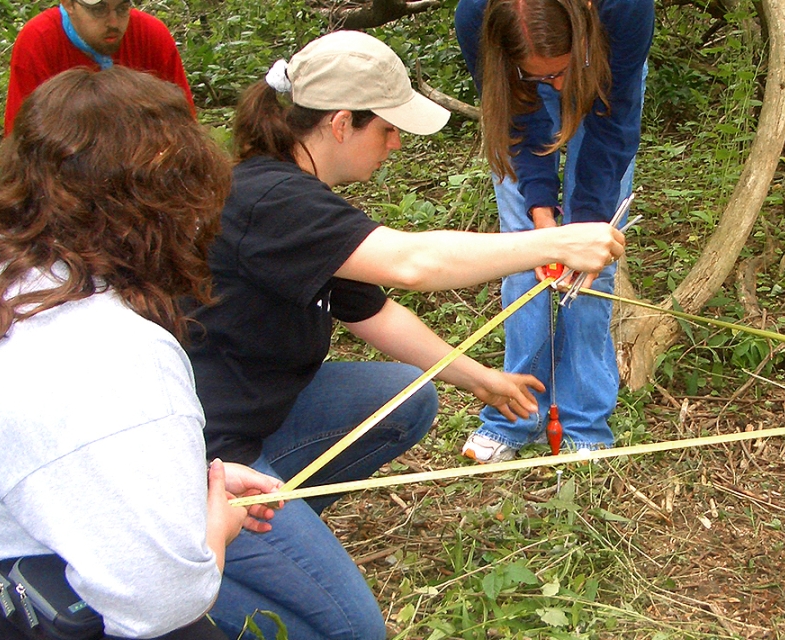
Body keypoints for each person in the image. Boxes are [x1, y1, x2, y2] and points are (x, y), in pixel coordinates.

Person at [186, 31, 625, 640]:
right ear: (341, 124)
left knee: (406, 397)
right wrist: (553, 241)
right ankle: (188, 587)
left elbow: (374, 313)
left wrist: (483, 381)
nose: (395, 144)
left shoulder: (292, 196)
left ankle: (281, 530)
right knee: (352, 629)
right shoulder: (271, 199)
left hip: (253, 420)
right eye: (387, 129)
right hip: (201, 453)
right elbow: (411, 263)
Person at [0, 67, 281, 640]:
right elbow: (159, 607)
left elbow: (18, 441)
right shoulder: (116, 354)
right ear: (181, 200)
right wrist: (212, 527)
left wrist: (180, 481)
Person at [454, 0, 654, 463]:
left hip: (602, 81)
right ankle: (515, 414)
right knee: (522, 256)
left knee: (591, 266)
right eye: (543, 78)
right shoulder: (475, 15)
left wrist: (582, 228)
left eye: (561, 74)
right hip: (515, 93)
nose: (558, 89)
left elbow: (612, 127)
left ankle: (584, 423)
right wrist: (542, 218)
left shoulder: (624, 9)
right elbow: (517, 123)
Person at [4, 0, 192, 133]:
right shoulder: (38, 41)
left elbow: (185, 127)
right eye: (99, 9)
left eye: (122, 8)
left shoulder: (152, 35)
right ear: (69, 4)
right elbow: (21, 142)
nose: (113, 22)